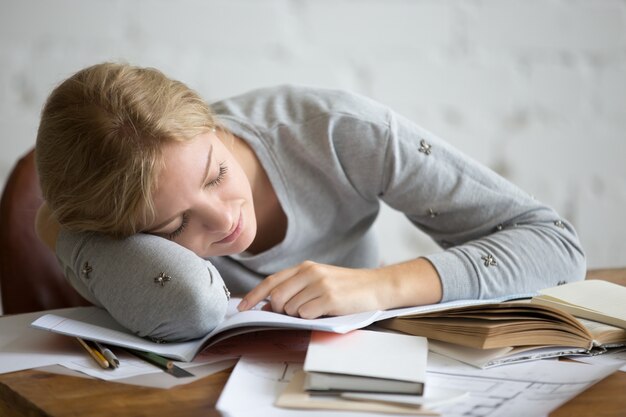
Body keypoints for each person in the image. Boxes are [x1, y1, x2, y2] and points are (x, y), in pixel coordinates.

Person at [34, 62, 586, 342]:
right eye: (176, 225)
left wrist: (379, 284)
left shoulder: (340, 134)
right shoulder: (109, 212)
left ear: (208, 121)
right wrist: (60, 231)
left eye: (216, 173)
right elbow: (187, 306)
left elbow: (556, 246)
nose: (226, 219)